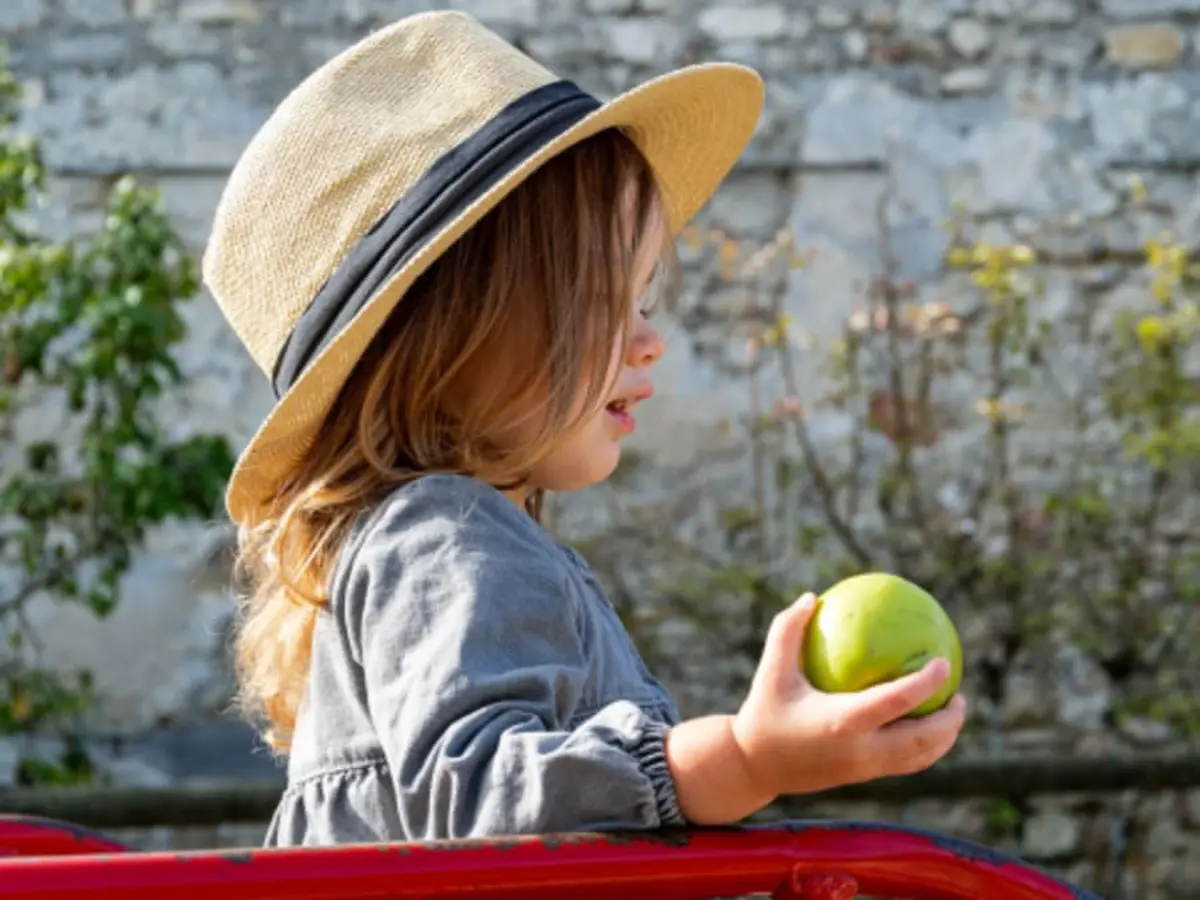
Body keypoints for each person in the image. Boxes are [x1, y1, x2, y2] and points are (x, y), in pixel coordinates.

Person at [202, 11, 967, 846]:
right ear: (460, 333)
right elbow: (483, 807)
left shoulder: (462, 540)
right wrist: (745, 759)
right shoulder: (443, 535)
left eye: (644, 299)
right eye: (604, 299)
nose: (650, 337)